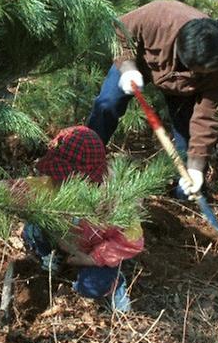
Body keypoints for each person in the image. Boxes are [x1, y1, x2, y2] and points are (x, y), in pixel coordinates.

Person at [86, 0, 218, 200]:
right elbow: (118, 32)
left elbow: (206, 118)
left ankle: (184, 198)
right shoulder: (159, 16)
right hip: (138, 63)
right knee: (107, 104)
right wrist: (128, 69)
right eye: (198, 70)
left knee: (187, 143)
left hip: (183, 92)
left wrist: (196, 167)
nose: (200, 74)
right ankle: (84, 160)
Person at [15, 126, 143, 312]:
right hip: (63, 240)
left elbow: (132, 240)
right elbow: (20, 189)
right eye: (58, 176)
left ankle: (115, 282)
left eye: (67, 177)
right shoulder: (52, 184)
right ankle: (52, 258)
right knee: (33, 229)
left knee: (92, 285)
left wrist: (92, 258)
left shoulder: (114, 201)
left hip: (97, 251)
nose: (59, 182)